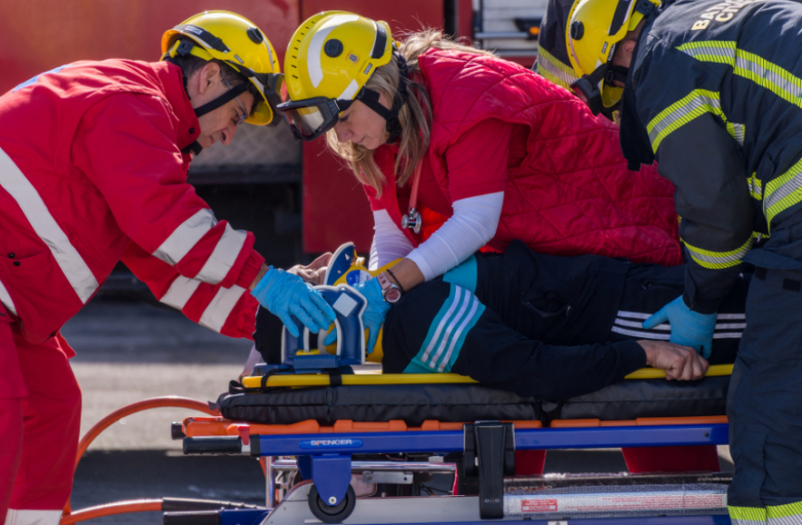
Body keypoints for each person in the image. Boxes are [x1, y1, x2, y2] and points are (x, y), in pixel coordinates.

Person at [0, 11, 338, 525]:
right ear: (209, 78)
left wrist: (270, 320)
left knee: (51, 404)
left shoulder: (147, 124)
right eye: (237, 114)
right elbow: (170, 226)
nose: (230, 136)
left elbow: (167, 267)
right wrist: (264, 278)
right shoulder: (132, 105)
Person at [276, 11, 681, 359]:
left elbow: (476, 222)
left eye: (343, 120)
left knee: (658, 420)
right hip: (553, 272)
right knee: (507, 421)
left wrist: (388, 286)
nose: (342, 137)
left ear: (377, 88)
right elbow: (394, 232)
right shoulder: (382, 130)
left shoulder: (468, 93)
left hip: (635, 244)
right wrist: (378, 292)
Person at [565, 0, 802, 520]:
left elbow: (718, 210)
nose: (627, 99)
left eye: (616, 84)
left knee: (769, 412)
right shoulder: (718, 22)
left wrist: (699, 300)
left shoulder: (662, 62)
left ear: (625, 47)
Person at [252, 240, 748, 473]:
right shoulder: (419, 317)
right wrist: (648, 349)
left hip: (614, 296)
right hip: (633, 313)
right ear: (321, 327)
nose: (318, 265)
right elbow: (539, 372)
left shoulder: (398, 308)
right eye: (312, 279)